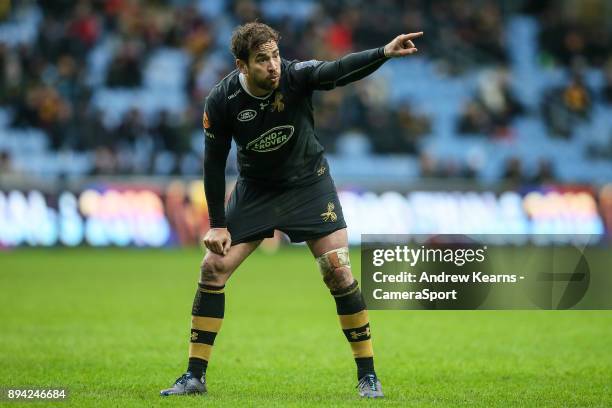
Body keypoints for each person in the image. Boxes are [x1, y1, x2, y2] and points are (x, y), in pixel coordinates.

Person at [160, 22, 423, 399]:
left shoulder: (296, 76)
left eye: (275, 56)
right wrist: (217, 224)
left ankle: (368, 375)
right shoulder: (221, 101)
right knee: (212, 268)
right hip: (256, 191)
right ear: (242, 65)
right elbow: (213, 164)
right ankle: (194, 376)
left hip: (308, 184)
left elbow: (337, 70)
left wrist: (382, 52)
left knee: (338, 271)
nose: (273, 66)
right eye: (262, 59)